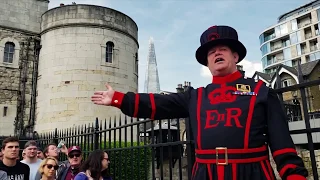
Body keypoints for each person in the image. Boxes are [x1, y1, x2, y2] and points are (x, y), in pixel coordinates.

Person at [91, 25, 309, 180]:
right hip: (206, 173)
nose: (216, 53)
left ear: (235, 56)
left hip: (252, 172)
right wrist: (119, 99)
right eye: (211, 52)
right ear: (207, 62)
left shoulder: (262, 92)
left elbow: (283, 147)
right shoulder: (195, 96)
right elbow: (159, 103)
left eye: (222, 49)